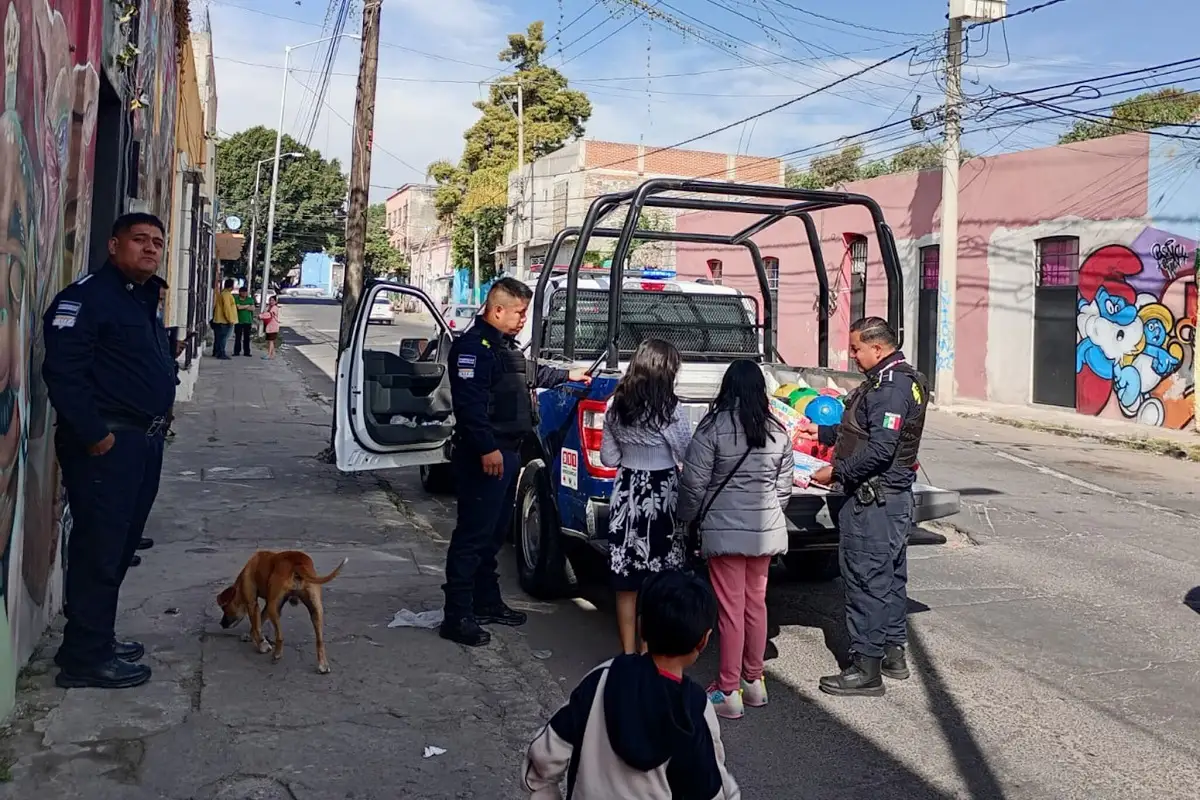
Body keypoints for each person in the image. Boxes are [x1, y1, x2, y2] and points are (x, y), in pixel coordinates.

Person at [42, 212, 177, 690]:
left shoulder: (140, 299)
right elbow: (64, 372)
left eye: (158, 242)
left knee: (119, 547)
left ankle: (93, 638)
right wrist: (96, 434)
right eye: (139, 240)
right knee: (99, 549)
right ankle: (85, 659)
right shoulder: (85, 298)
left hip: (142, 443)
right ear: (114, 244)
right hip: (107, 445)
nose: (150, 249)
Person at [441, 278, 590, 647]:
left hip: (506, 452)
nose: (524, 319)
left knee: (493, 535)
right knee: (472, 536)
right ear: (497, 310)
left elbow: (526, 375)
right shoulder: (472, 349)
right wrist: (487, 448)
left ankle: (486, 602)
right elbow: (471, 407)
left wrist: (566, 376)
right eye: (520, 313)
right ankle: (456, 615)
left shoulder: (503, 347)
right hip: (485, 456)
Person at [522, 570, 740, 800]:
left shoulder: (602, 679)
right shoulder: (695, 709)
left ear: (640, 626)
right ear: (703, 640)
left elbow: (546, 754)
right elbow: (710, 790)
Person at [806, 316, 929, 697]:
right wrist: (825, 433)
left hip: (874, 501)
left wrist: (835, 472)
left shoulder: (892, 389)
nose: (853, 355)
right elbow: (866, 430)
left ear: (878, 348)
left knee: (866, 581)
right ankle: (892, 654)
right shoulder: (895, 379)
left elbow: (880, 450)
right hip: (889, 499)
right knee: (890, 579)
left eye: (857, 348)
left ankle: (866, 668)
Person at [678, 359, 793, 720]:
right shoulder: (778, 430)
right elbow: (783, 489)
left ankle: (729, 690)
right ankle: (754, 682)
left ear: (727, 388)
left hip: (724, 530)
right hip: (765, 530)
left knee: (729, 610)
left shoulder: (712, 428)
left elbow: (694, 485)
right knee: (756, 604)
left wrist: (685, 519)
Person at [599, 338, 693, 655]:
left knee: (626, 581)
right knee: (661, 578)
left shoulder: (616, 405)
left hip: (626, 492)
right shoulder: (671, 409)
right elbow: (686, 454)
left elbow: (608, 458)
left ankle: (628, 654)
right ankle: (649, 651)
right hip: (662, 494)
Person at [211, 278, 238, 359]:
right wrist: (230, 320)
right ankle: (221, 353)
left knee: (219, 337)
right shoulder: (226, 295)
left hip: (219, 320)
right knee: (223, 338)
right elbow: (227, 308)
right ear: (231, 286)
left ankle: (216, 352)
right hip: (224, 321)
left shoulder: (222, 293)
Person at [233, 285, 255, 357]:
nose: (244, 294)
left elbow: (252, 308)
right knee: (238, 337)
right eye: (243, 292)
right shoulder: (236, 299)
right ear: (240, 293)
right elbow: (238, 307)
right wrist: (247, 306)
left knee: (247, 338)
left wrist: (244, 306)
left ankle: (247, 352)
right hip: (238, 321)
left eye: (245, 292)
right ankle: (236, 351)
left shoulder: (250, 299)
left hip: (248, 321)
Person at [260, 295, 281, 359]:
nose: (271, 301)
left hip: (273, 327)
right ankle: (272, 354)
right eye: (270, 300)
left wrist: (260, 316)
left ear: (275, 301)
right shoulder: (268, 307)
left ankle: (269, 354)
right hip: (268, 326)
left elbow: (268, 315)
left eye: (273, 300)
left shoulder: (275, 308)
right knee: (270, 341)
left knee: (270, 341)